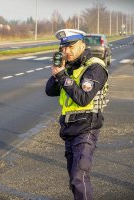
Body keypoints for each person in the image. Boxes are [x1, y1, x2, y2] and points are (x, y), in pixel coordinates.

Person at [45, 29, 109, 200]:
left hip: (86, 129)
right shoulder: (70, 67)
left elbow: (83, 98)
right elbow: (49, 91)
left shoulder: (94, 67)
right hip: (69, 129)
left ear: (82, 44)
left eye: (71, 46)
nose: (67, 51)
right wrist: (58, 72)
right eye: (63, 48)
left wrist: (62, 76)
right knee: (74, 180)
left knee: (78, 178)